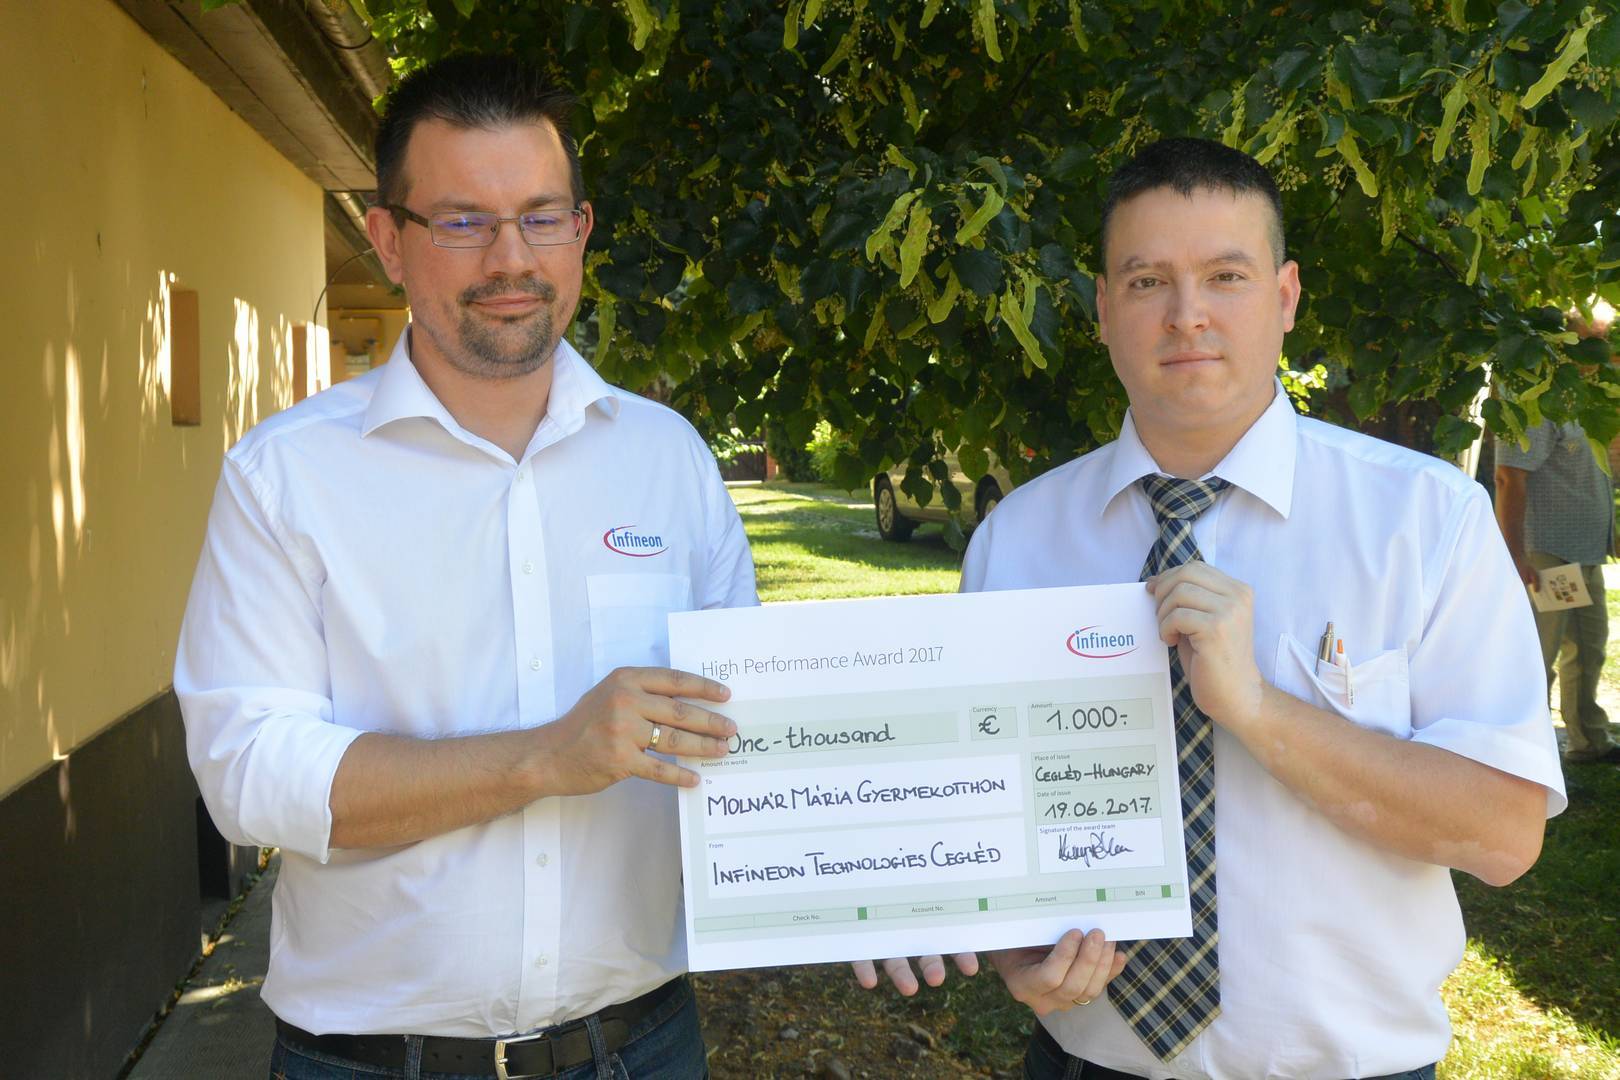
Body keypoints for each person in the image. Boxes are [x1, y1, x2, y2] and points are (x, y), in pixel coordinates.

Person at [865, 138, 1566, 1079]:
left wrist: (1259, 711)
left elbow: (1505, 836)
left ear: (1285, 296)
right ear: (1103, 309)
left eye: (1225, 276)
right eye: (1147, 281)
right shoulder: (1018, 539)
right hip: (1086, 1064)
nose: (1186, 314)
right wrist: (1013, 952)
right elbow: (985, 812)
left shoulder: (1426, 519)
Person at [175, 54, 755, 1080]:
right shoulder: (285, 477)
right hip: (370, 1063)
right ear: (387, 241)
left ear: (580, 232)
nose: (509, 258)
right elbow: (250, 774)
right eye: (461, 221)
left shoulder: (668, 460)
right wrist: (542, 758)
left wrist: (890, 885)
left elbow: (748, 728)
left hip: (642, 1047)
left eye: (540, 217)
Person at [1495, 414, 1619, 765]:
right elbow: (1508, 477)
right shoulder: (1533, 404)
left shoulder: (1579, 398)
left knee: (1587, 649)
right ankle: (1520, 750)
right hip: (1545, 554)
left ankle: (1589, 741)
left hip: (1583, 551)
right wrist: (1515, 555)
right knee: (1536, 657)